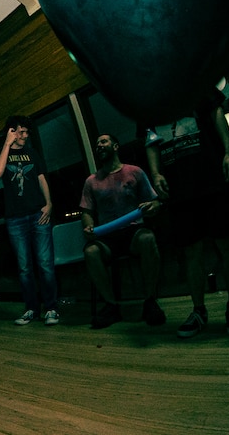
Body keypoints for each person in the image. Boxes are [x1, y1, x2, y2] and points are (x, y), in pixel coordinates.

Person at [145, 95, 229, 338]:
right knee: (191, 252)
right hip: (179, 188)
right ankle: (199, 311)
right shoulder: (148, 100)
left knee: (227, 244)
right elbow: (151, 140)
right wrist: (156, 174)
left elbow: (216, 112)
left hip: (211, 177)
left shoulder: (194, 82)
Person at [80, 134, 166, 329]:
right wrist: (88, 226)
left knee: (148, 239)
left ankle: (150, 301)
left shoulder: (134, 172)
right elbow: (86, 212)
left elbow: (154, 202)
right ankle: (111, 306)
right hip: (107, 237)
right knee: (90, 252)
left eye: (103, 142)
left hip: (133, 231)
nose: (99, 146)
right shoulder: (91, 181)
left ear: (116, 146)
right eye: (97, 144)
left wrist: (153, 207)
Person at [0, 115, 59, 326]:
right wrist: (7, 143)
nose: (23, 135)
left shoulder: (32, 153)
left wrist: (49, 203)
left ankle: (51, 309)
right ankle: (31, 309)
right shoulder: (2, 152)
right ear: (11, 132)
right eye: (19, 131)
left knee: (45, 264)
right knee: (24, 267)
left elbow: (41, 178)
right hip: (15, 219)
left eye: (25, 132)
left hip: (38, 214)